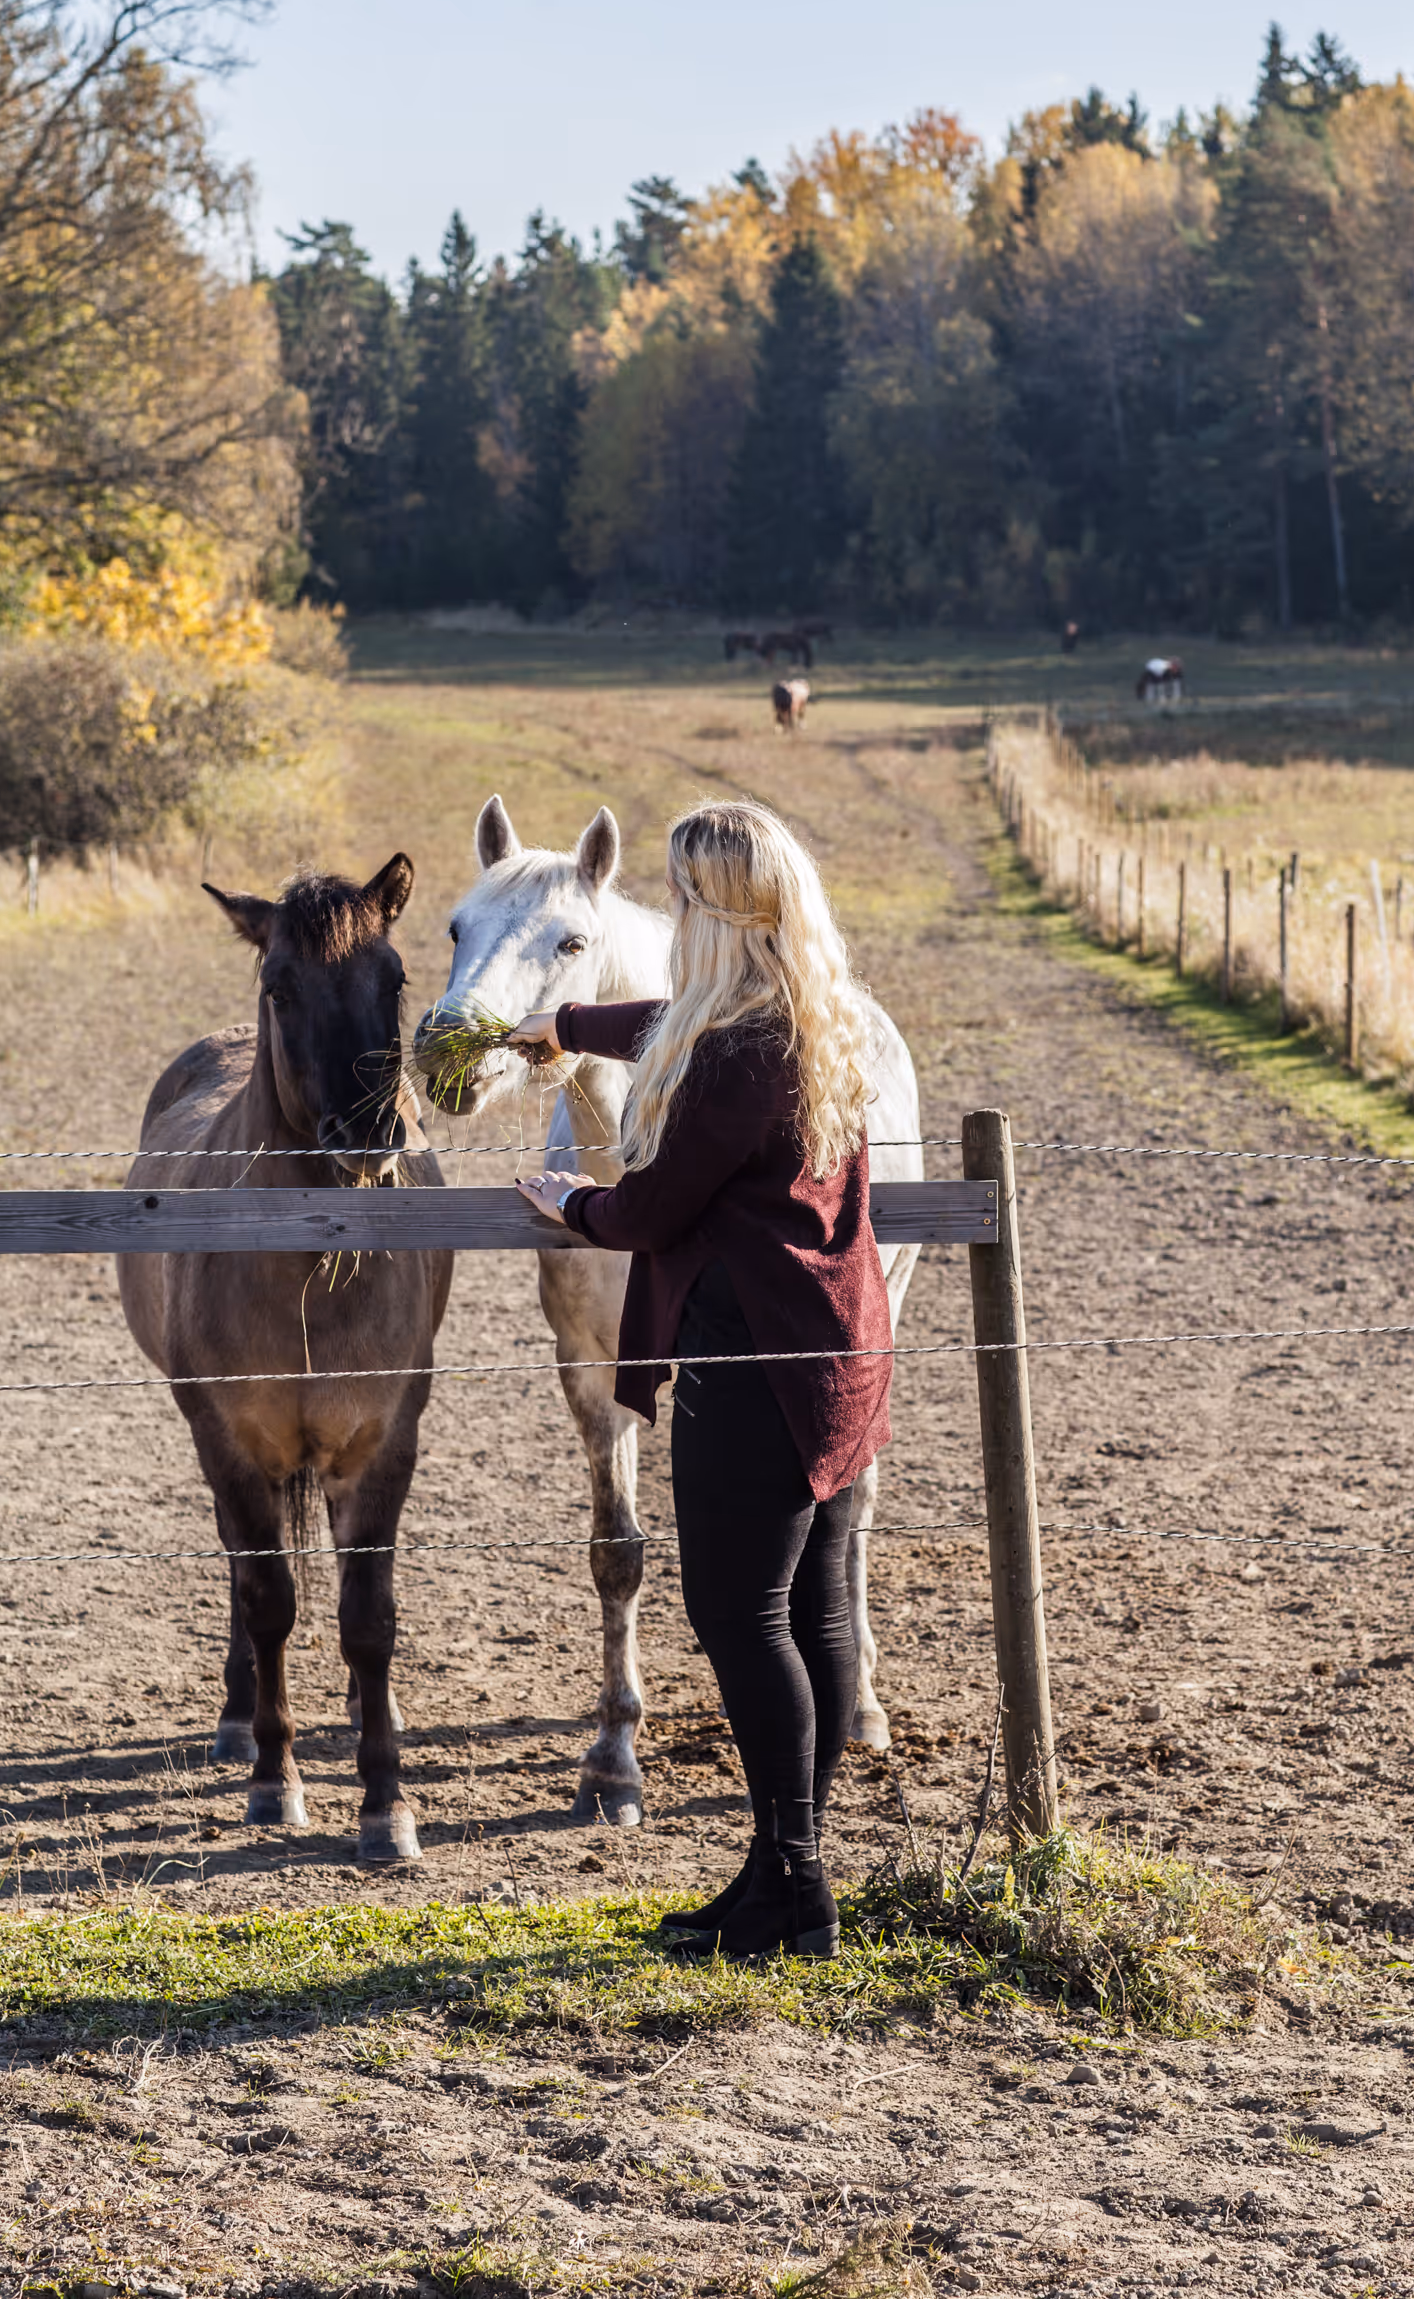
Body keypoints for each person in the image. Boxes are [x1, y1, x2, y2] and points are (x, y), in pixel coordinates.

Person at [512, 800, 893, 1961]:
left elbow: (649, 1209)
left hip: (752, 1365)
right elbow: (667, 1023)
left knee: (739, 1615)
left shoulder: (734, 1055)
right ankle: (783, 1872)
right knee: (816, 1611)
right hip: (836, 1354)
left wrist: (567, 1201)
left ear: (717, 914)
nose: (668, 914)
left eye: (681, 897)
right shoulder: (803, 1014)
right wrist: (568, 1022)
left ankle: (793, 1884)